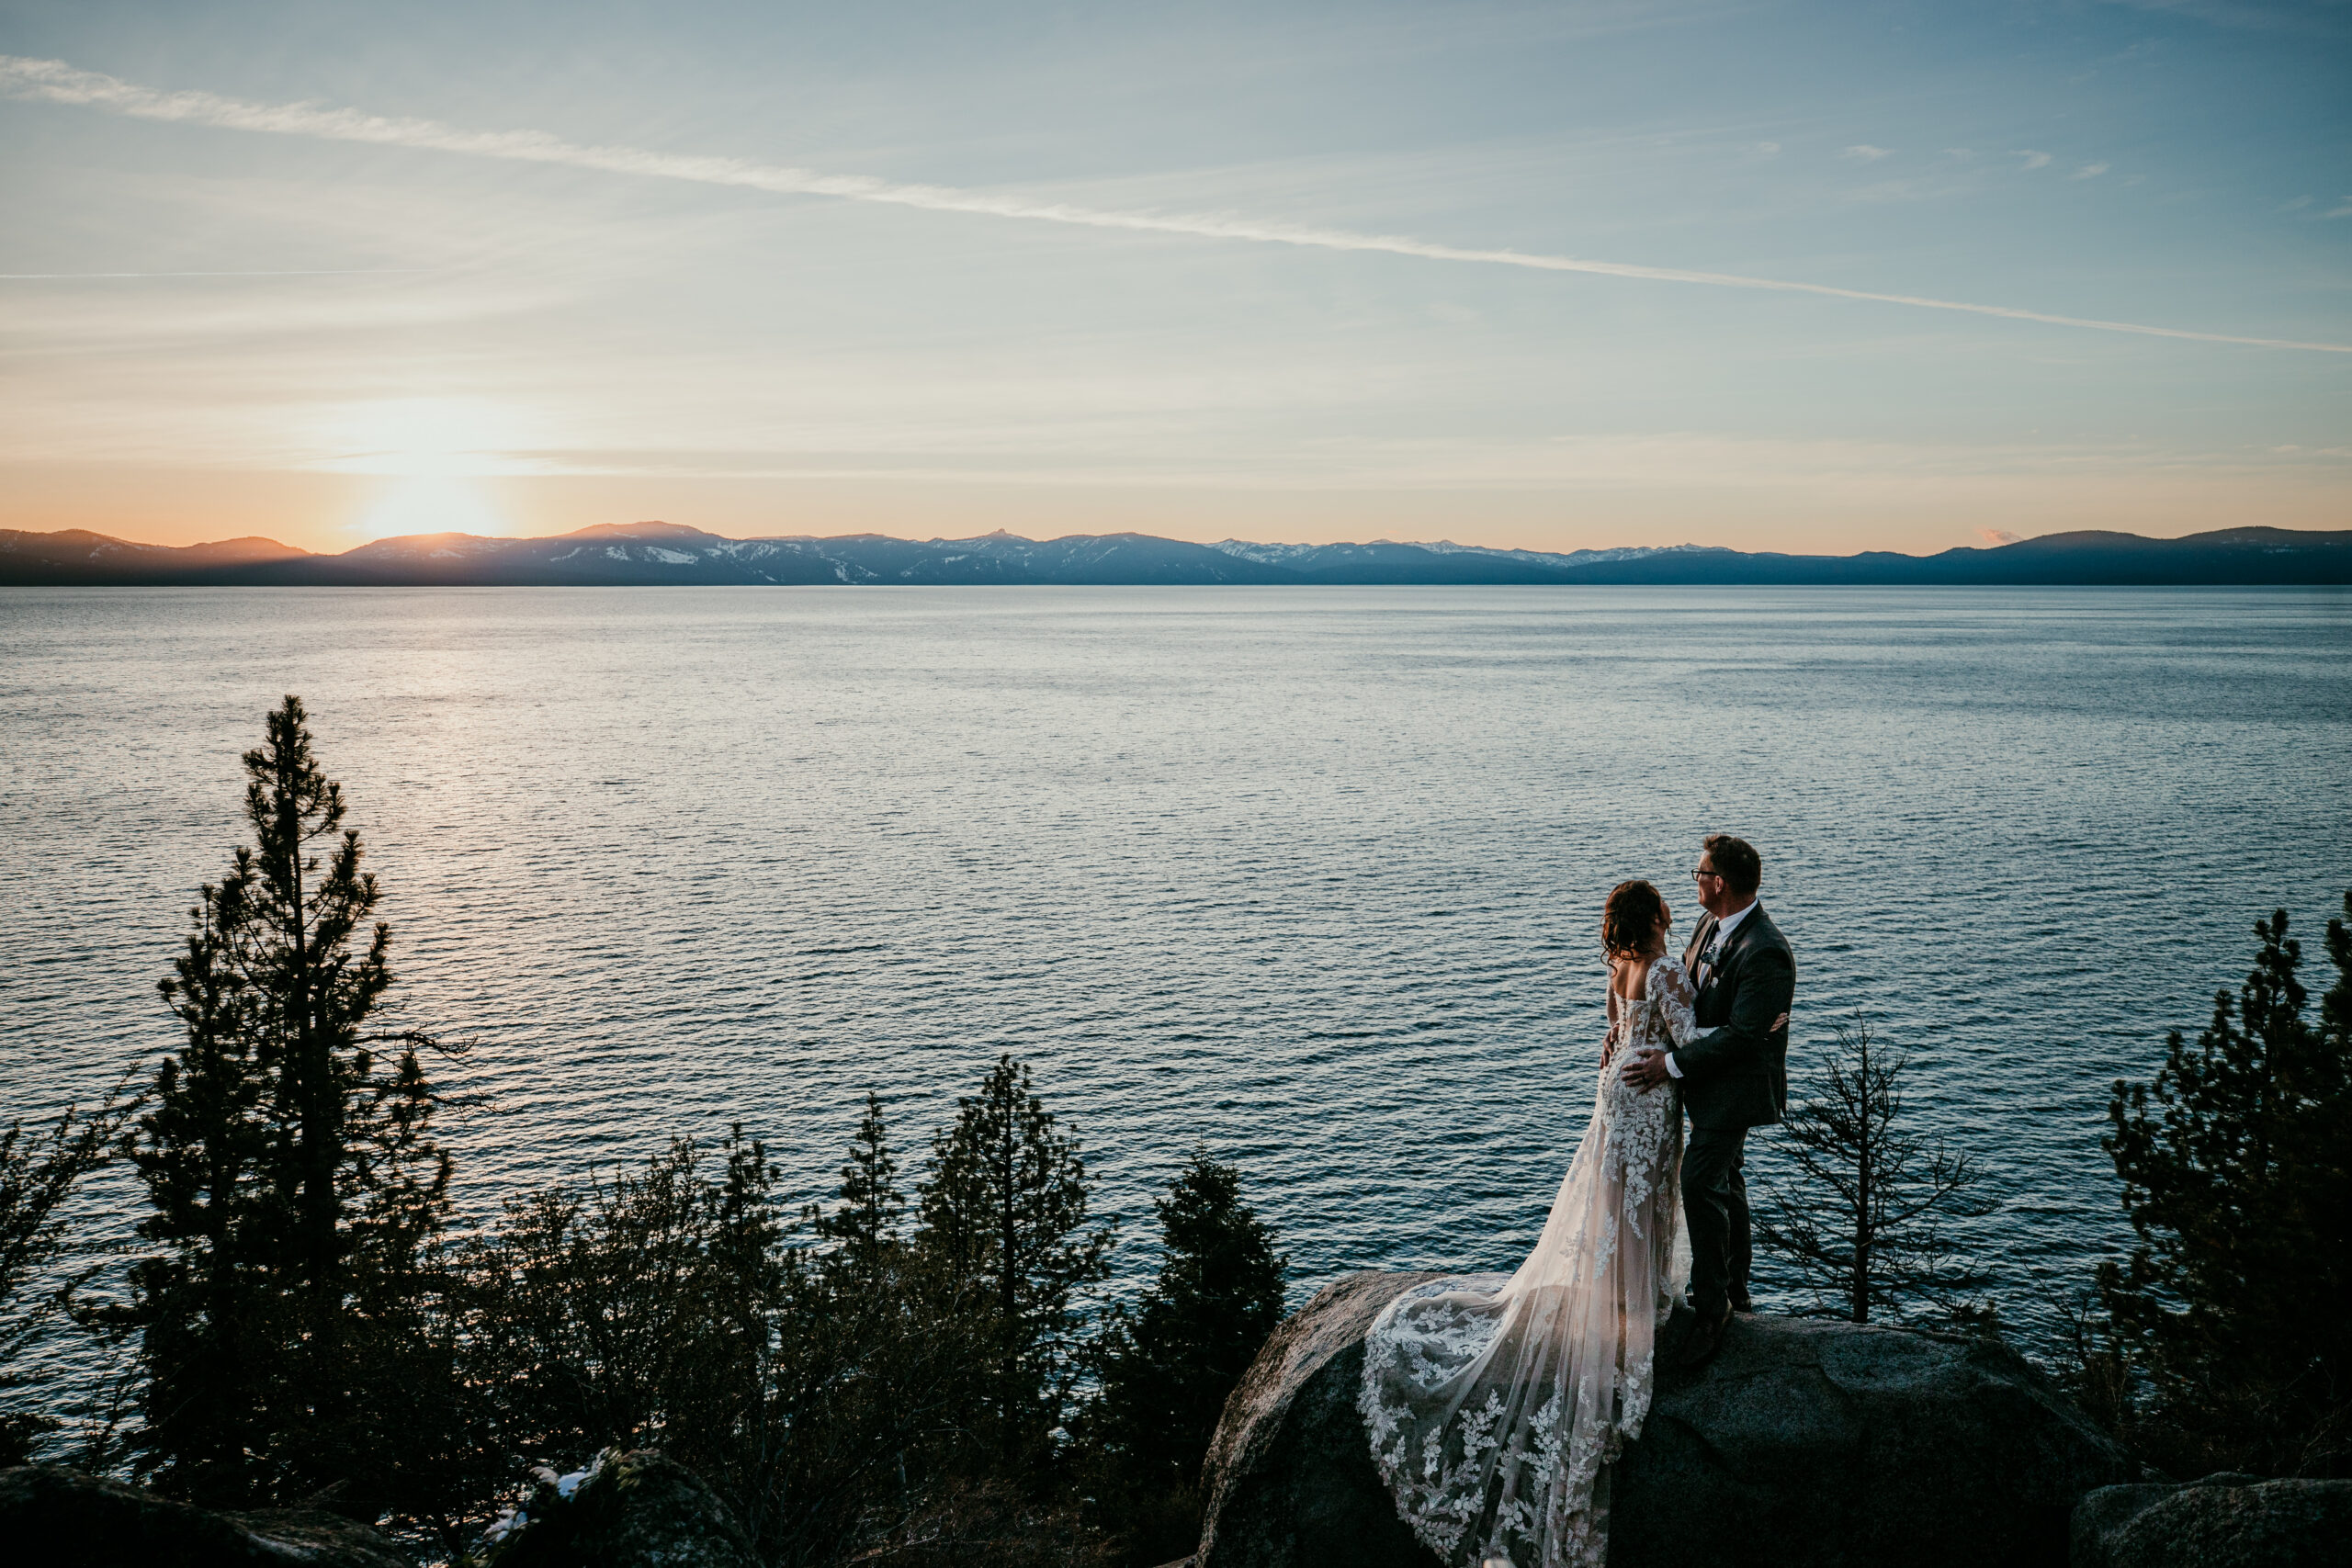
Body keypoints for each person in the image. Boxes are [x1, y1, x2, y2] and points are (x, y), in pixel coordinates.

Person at [1358, 878, 1703, 1568]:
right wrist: (1750, 1032)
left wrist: (1625, 1047)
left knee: (1613, 1200)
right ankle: (1639, 1302)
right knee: (1641, 1201)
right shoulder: (1664, 966)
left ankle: (1614, 1291)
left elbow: (1611, 1032)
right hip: (1647, 1099)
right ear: (1656, 914)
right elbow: (1689, 1039)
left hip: (1614, 1097)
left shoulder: (1618, 965)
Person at [1619, 833, 1795, 1369]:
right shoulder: (1707, 926)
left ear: (1718, 882)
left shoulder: (1765, 948)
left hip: (1734, 1087)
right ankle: (1736, 1288)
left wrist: (1668, 1063)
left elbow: (1744, 1036)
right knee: (1726, 1182)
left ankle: (1713, 1307)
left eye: (1698, 873)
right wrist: (1628, 1032)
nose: (1692, 881)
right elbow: (1683, 999)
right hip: (1700, 1082)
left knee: (1699, 1180)